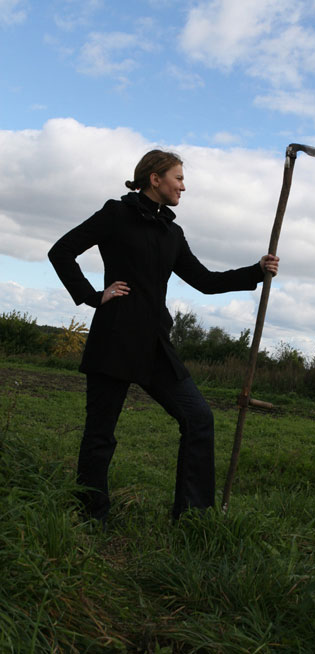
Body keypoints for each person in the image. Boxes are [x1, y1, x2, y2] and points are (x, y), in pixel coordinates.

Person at [48, 149, 279, 524]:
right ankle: (93, 514)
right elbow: (61, 251)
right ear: (155, 178)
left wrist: (255, 270)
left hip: (155, 344)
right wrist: (93, 296)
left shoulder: (173, 233)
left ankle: (192, 516)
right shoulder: (116, 214)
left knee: (199, 417)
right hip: (115, 339)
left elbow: (204, 281)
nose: (184, 187)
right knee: (100, 434)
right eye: (179, 178)